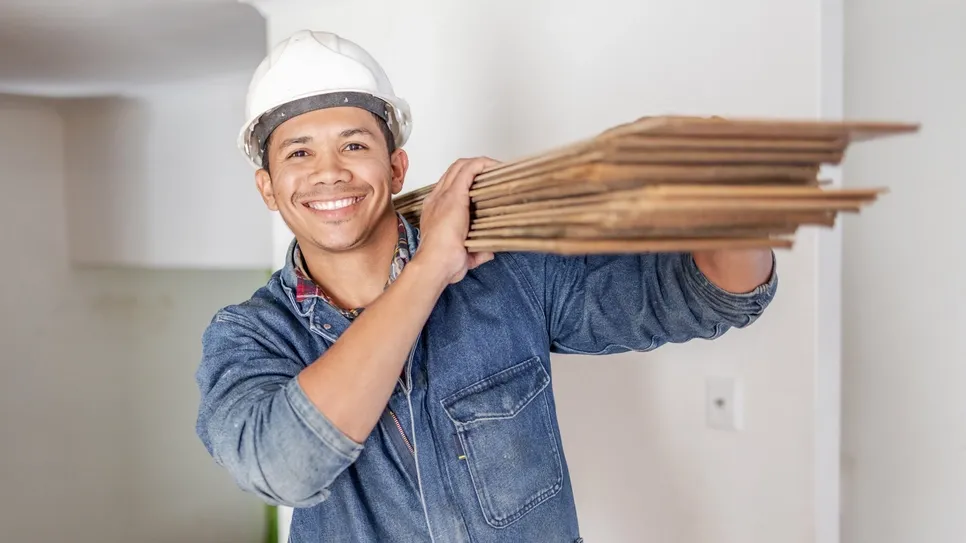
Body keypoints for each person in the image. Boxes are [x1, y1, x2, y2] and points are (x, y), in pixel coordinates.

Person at [195, 29, 778, 543]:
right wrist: (429, 269)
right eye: (299, 152)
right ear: (268, 188)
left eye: (354, 144)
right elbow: (281, 466)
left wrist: (727, 194)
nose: (330, 172)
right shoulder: (251, 335)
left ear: (396, 168)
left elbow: (709, 294)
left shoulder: (508, 274)